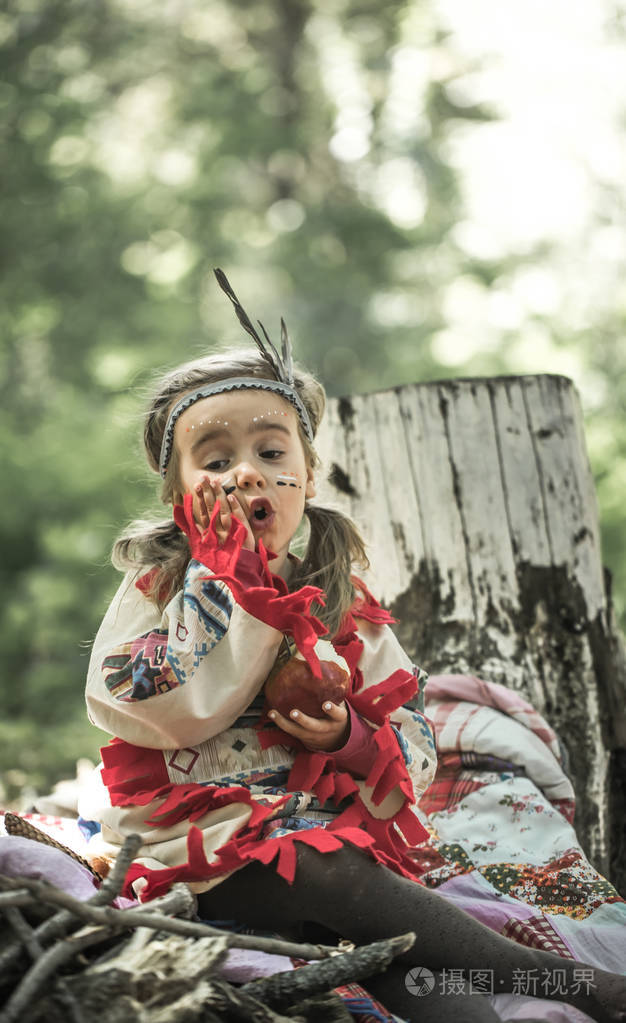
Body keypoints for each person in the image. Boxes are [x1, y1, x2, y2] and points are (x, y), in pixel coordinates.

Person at [79, 272, 625, 1023]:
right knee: (326, 869)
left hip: (325, 836)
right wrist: (221, 580)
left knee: (416, 964)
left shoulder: (338, 599)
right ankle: (567, 979)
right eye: (213, 460)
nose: (245, 471)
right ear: (177, 492)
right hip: (200, 853)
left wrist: (349, 735)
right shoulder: (162, 585)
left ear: (304, 474)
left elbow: (416, 740)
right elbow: (146, 709)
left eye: (270, 450)